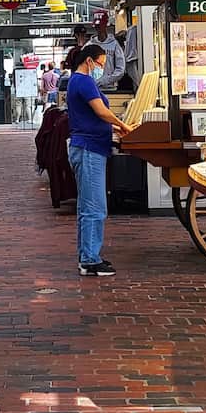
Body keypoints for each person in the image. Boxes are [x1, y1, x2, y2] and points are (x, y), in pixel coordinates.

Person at [66, 43, 133, 277]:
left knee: (87, 207)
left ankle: (87, 256)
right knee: (95, 207)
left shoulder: (78, 81)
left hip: (87, 148)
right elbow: (101, 112)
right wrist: (123, 126)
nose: (102, 69)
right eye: (101, 64)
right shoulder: (84, 82)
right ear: (89, 61)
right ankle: (90, 260)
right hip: (89, 150)